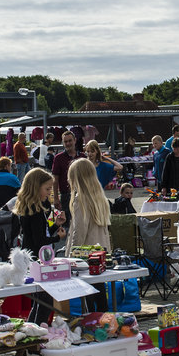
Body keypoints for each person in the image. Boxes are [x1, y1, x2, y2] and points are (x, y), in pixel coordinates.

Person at [14, 168, 66, 325]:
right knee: (45, 302)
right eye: (47, 189)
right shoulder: (35, 210)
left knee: (39, 301)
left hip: (31, 256)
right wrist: (58, 237)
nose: (49, 193)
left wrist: (55, 225)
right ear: (36, 187)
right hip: (36, 258)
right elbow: (40, 240)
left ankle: (33, 329)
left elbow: (40, 233)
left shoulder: (31, 207)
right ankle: (37, 331)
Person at [66, 159, 110, 311]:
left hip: (84, 257)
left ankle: (92, 322)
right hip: (100, 253)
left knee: (88, 299)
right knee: (100, 293)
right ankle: (105, 321)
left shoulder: (81, 199)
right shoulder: (100, 197)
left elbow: (79, 232)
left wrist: (70, 257)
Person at [52, 130, 86, 216]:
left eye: (70, 141)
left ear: (75, 140)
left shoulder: (83, 157)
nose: (68, 143)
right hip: (65, 196)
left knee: (79, 220)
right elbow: (55, 180)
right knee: (60, 219)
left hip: (81, 194)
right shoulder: (58, 158)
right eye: (65, 141)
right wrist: (55, 198)